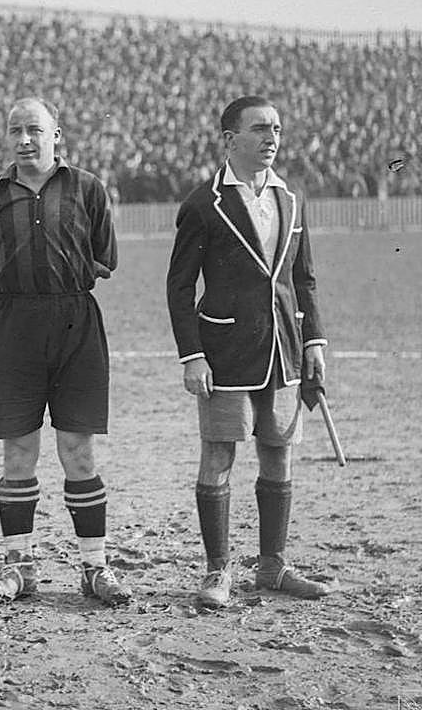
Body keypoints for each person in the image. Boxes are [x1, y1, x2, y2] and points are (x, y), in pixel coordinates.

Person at [166, 95, 330, 609]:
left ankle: (272, 565)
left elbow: (303, 279)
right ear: (228, 138)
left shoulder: (291, 199)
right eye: (259, 128)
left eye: (277, 129)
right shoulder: (201, 203)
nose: (271, 138)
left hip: (283, 348)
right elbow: (178, 287)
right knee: (219, 453)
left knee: (277, 450)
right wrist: (192, 354)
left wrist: (315, 344)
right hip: (225, 351)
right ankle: (218, 571)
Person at [0, 97, 132, 607]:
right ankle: (19, 567)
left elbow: (104, 258)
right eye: (15, 129)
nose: (24, 139)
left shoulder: (87, 189)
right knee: (18, 453)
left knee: (78, 451)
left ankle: (94, 568)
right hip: (14, 326)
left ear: (55, 134)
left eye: (35, 129)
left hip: (76, 324)